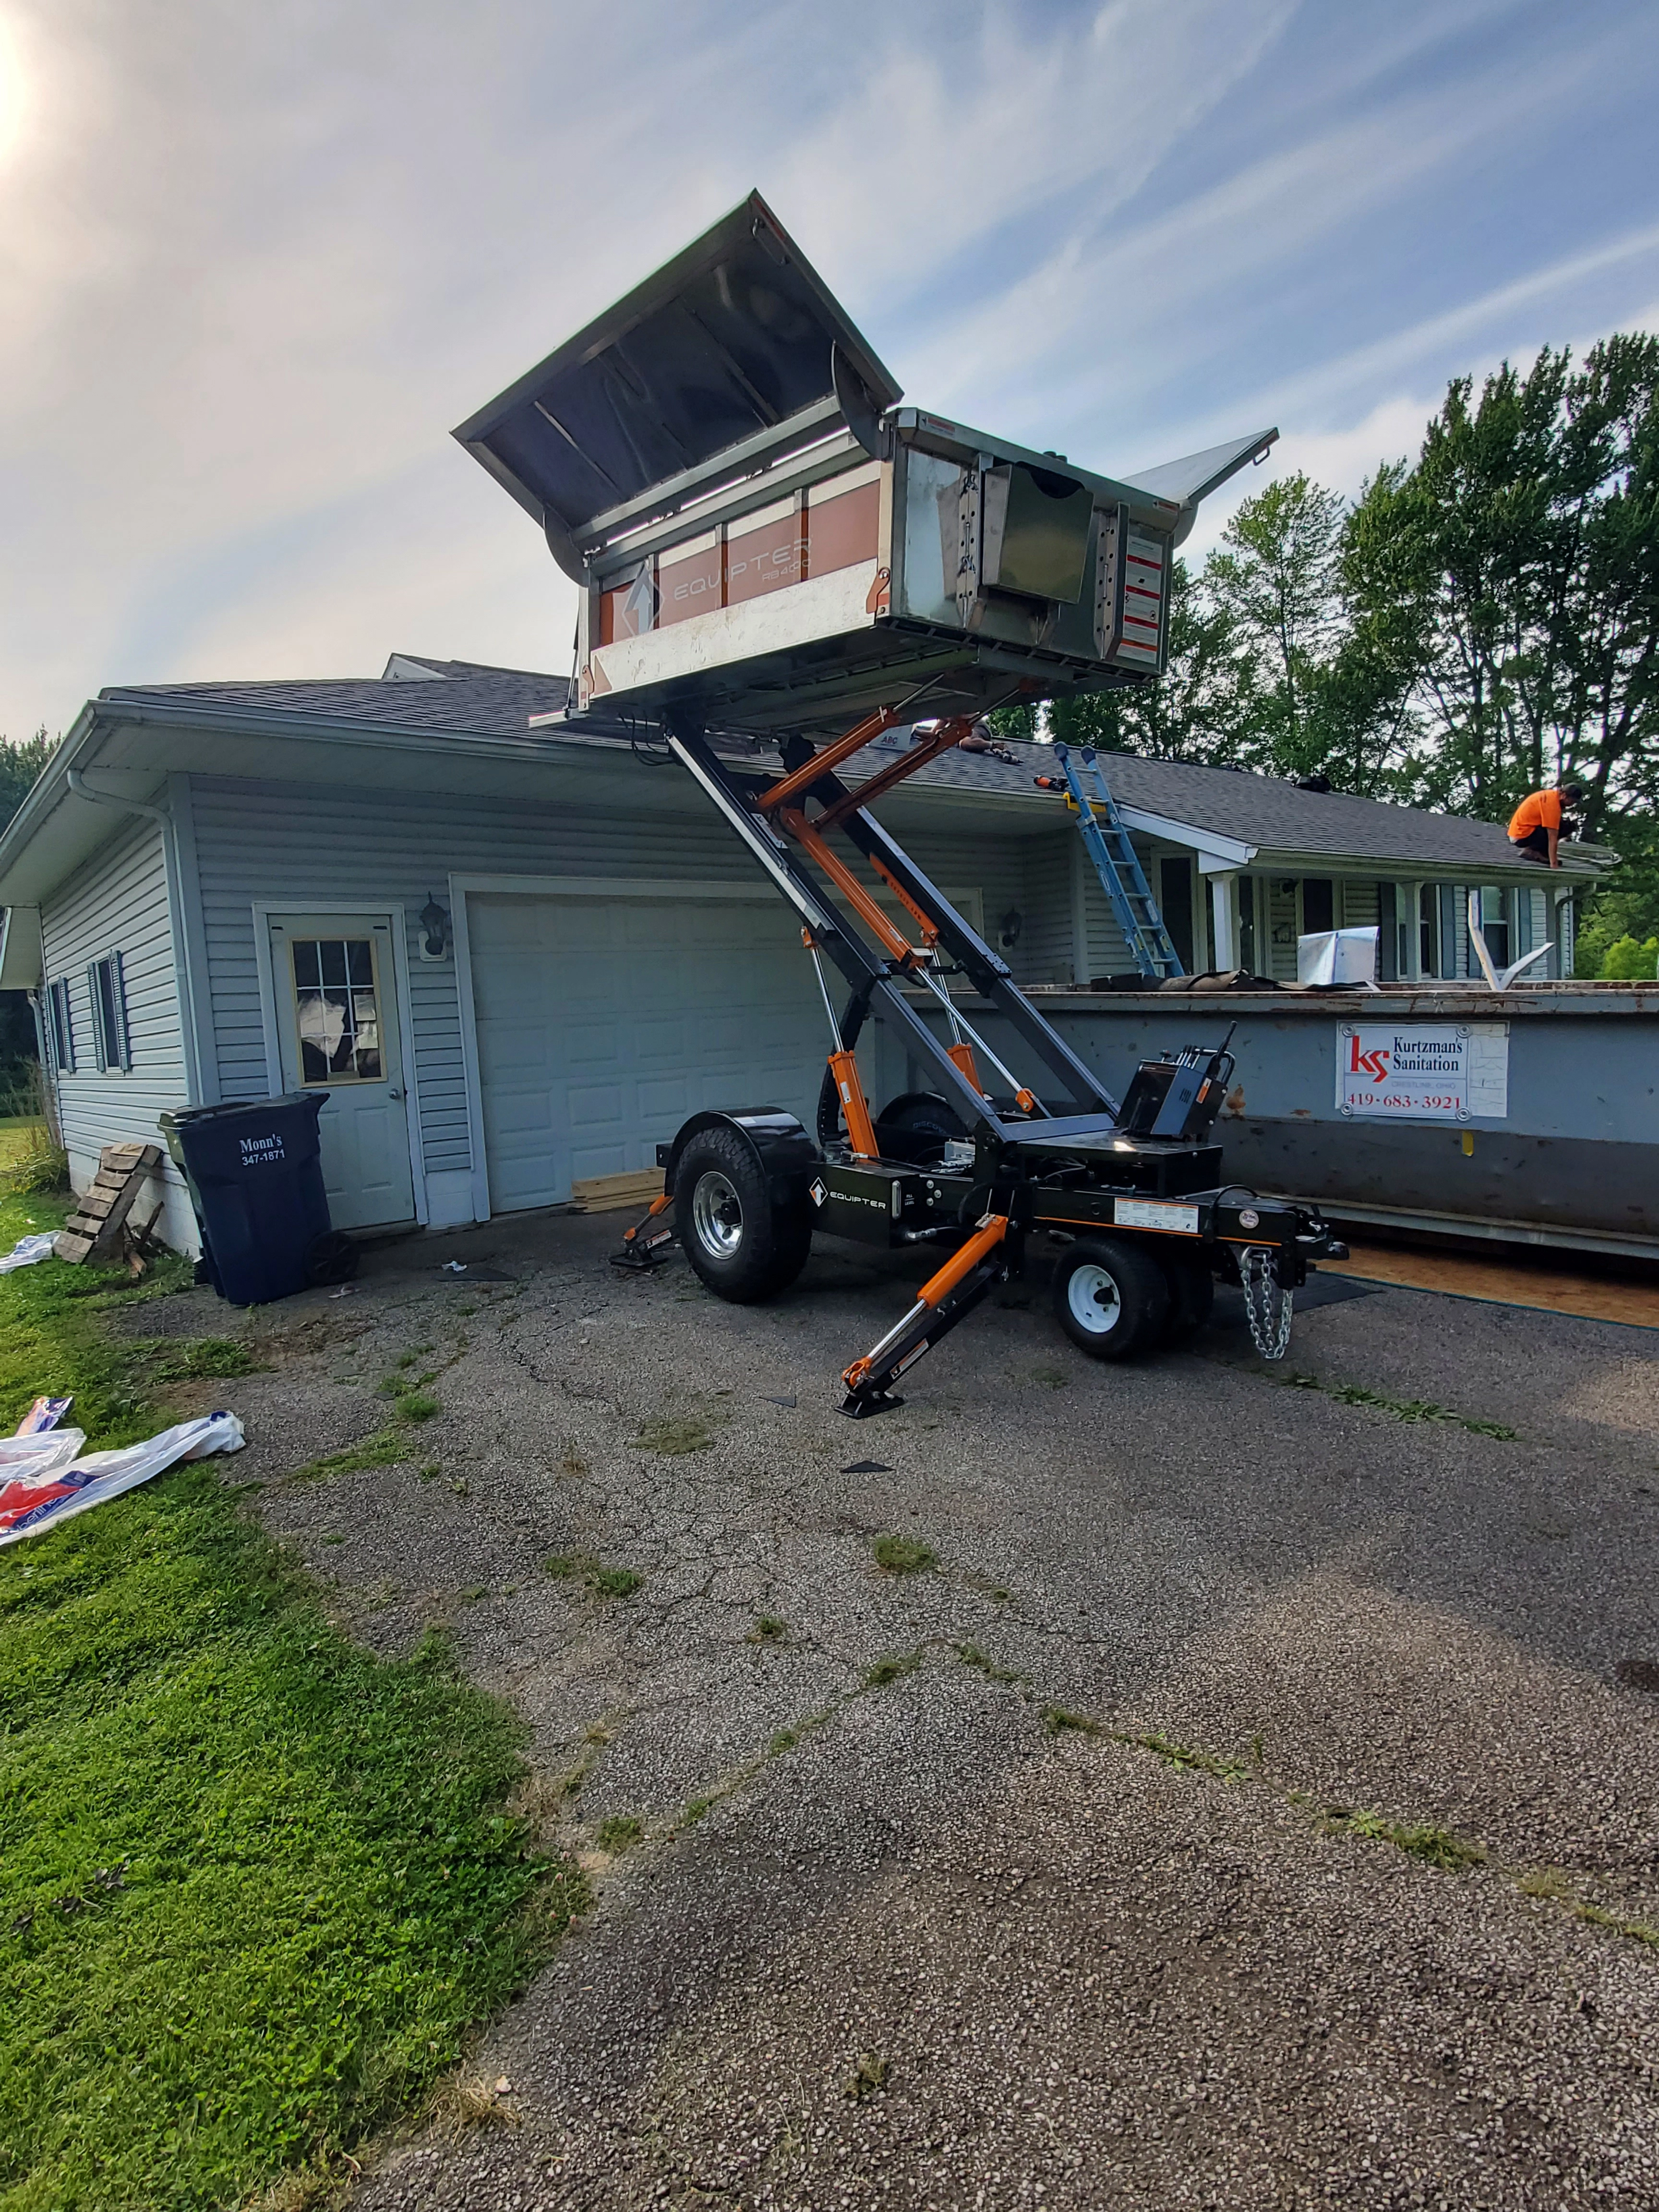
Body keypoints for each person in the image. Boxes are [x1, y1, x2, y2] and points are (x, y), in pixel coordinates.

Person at [1508, 780, 1584, 867]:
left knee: (1567, 826)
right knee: (1553, 830)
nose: (1572, 805)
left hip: (1524, 831)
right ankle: (1532, 851)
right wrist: (1554, 864)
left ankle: (1543, 853)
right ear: (1564, 796)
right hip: (1521, 836)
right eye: (1572, 801)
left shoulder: (1552, 796)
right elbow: (1552, 837)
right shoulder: (1552, 805)